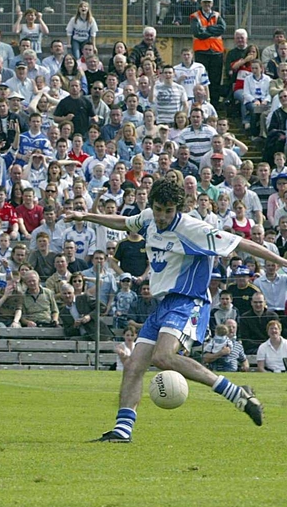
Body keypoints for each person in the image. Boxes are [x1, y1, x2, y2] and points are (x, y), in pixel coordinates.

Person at [65, 179, 286, 442]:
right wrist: (86, 215)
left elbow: (241, 244)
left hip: (188, 300)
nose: (162, 216)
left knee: (163, 356)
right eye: (158, 209)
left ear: (177, 209)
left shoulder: (193, 229)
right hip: (163, 303)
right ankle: (122, 430)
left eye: (168, 211)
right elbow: (124, 223)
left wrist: (283, 261)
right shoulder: (147, 218)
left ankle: (236, 394)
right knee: (134, 364)